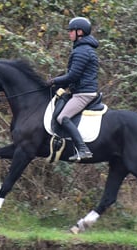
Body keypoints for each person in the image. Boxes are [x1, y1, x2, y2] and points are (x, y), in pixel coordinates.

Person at [48, 17, 99, 161]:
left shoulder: (82, 51)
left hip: (83, 94)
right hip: (80, 90)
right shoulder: (82, 49)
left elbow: (73, 76)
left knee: (62, 117)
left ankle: (83, 149)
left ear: (80, 32)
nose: (69, 33)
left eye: (71, 31)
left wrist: (54, 81)